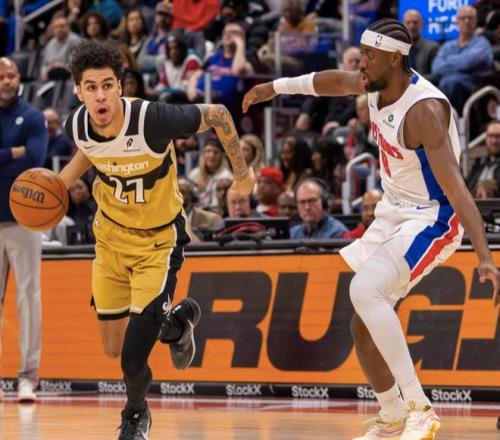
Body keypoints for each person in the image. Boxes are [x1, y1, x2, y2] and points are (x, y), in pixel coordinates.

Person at [243, 18, 500, 440]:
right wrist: (276, 87)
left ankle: (419, 407)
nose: (361, 63)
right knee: (362, 325)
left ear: (395, 59)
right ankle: (392, 415)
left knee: (364, 290)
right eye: (361, 54)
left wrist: (485, 256)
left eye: (369, 55)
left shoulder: (424, 111)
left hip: (432, 217)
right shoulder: (375, 83)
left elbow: (458, 191)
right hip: (393, 213)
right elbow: (330, 82)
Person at [59, 41, 254, 439]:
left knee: (132, 360)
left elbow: (218, 114)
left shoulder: (152, 119)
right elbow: (92, 151)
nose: (101, 95)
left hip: (157, 245)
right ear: (79, 91)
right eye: (91, 87)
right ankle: (176, 325)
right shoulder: (76, 126)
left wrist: (243, 173)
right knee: (113, 347)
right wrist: (57, 184)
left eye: (108, 85)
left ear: (120, 86)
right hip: (110, 242)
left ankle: (135, 415)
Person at [0, 57, 49, 402]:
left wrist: (10, 155)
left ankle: (27, 377)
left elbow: (34, 159)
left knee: (28, 298)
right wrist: (11, 153)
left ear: (19, 78)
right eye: (1, 76)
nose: (6, 80)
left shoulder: (32, 117)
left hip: (25, 220)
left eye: (11, 74)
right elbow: (19, 157)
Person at [431, 6, 493, 113]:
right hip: (444, 86)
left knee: (451, 82)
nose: (467, 21)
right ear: (457, 22)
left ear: (475, 21)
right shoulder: (447, 46)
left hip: (472, 89)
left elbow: (469, 63)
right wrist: (461, 62)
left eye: (470, 18)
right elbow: (436, 68)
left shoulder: (482, 44)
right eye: (463, 18)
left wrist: (448, 61)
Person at [402, 9, 439, 77]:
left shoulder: (432, 48)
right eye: (408, 23)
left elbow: (436, 75)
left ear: (421, 24)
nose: (412, 26)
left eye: (415, 22)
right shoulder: (399, 50)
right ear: (403, 25)